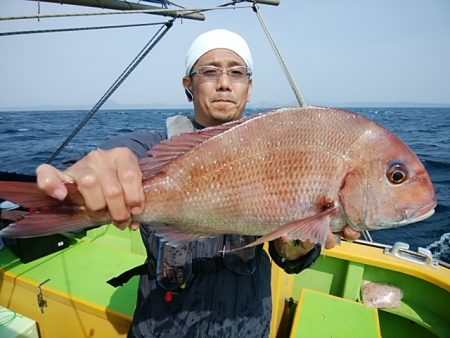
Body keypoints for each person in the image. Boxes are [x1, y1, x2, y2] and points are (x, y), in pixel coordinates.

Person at [36, 29, 360, 337]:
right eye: (209, 72)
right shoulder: (156, 148)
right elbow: (105, 162)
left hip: (245, 325)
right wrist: (77, 177)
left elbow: (286, 256)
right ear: (188, 84)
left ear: (249, 86)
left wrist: (298, 245)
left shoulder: (277, 150)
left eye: (236, 73)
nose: (223, 83)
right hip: (159, 326)